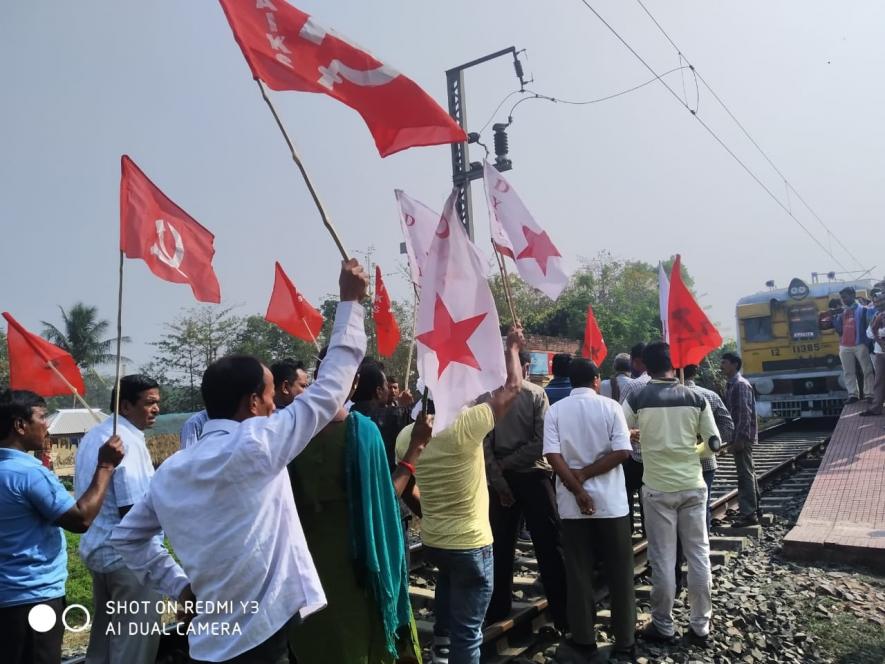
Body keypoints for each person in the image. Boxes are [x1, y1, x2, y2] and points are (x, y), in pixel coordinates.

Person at [110, 259, 370, 664]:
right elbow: (330, 389)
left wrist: (178, 587)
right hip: (259, 638)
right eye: (270, 396)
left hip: (210, 643)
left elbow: (127, 537)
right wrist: (350, 303)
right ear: (253, 401)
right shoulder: (258, 444)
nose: (275, 405)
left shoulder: (172, 471)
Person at [287, 352, 432, 663]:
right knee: (360, 640)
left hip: (304, 567)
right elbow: (385, 501)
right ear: (353, 382)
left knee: (319, 642)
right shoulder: (361, 431)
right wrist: (413, 453)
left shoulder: (287, 430)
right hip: (358, 566)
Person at [395, 327, 525, 664]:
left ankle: (440, 652)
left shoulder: (407, 436)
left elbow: (407, 485)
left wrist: (427, 512)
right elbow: (513, 387)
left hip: (436, 540)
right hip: (471, 543)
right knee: (469, 634)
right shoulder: (465, 425)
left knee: (449, 588)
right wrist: (512, 346)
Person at [0, 389, 123, 664]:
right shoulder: (29, 474)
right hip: (33, 596)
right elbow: (80, 519)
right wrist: (105, 466)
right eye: (42, 417)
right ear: (20, 425)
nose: (47, 425)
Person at [623, 342, 720, 648]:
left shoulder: (637, 396)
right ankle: (700, 625)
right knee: (699, 555)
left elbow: (618, 430)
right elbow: (714, 443)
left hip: (657, 489)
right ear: (672, 364)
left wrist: (637, 436)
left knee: (663, 559)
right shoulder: (696, 396)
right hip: (693, 485)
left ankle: (663, 625)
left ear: (644, 366)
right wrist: (691, 450)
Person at [543, 358, 636, 662]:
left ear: (570, 381)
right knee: (620, 573)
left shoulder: (555, 410)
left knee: (579, 572)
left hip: (572, 506)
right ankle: (625, 641)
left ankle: (583, 638)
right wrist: (584, 479)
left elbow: (552, 456)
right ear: (597, 380)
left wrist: (577, 486)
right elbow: (623, 451)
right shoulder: (611, 408)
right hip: (612, 504)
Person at [74, 374, 163, 664]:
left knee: (103, 642)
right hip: (130, 562)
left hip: (100, 553)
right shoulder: (127, 444)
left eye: (157, 403)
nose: (156, 409)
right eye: (149, 402)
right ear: (125, 406)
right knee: (133, 646)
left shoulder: (93, 436)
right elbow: (134, 512)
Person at [483, 350, 567, 634]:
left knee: (500, 547)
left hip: (501, 480)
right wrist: (508, 466)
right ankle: (564, 614)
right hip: (534, 476)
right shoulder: (535, 394)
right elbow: (541, 441)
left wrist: (500, 479)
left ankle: (497, 609)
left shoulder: (489, 397)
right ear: (527, 367)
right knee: (551, 545)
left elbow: (485, 448)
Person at [683, 364, 734, 531]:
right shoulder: (709, 395)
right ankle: (702, 545)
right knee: (702, 505)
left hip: (676, 463)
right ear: (695, 372)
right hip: (705, 462)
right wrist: (709, 442)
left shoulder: (664, 400)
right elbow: (728, 426)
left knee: (679, 508)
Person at [720, 352, 761, 527]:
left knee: (744, 474)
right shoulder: (732, 384)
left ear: (735, 364)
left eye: (725, 363)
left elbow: (744, 414)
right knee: (748, 472)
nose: (722, 366)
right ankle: (755, 509)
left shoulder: (740, 385)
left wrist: (739, 439)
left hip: (742, 437)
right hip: (739, 435)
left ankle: (749, 513)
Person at [619, 342, 651, 535]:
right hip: (656, 454)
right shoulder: (676, 386)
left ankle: (628, 531)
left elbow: (620, 420)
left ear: (637, 361)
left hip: (634, 452)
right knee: (650, 497)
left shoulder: (633, 386)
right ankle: (649, 533)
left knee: (626, 493)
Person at [833, 286, 875, 403]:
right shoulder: (842, 312)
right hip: (844, 345)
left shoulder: (863, 310)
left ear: (852, 295)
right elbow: (839, 329)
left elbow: (869, 326)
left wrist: (867, 343)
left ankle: (870, 394)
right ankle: (852, 395)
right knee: (848, 371)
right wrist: (834, 318)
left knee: (867, 370)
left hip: (860, 344)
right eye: (842, 298)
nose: (843, 300)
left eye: (845, 297)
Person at [861, 292, 885, 416]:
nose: (878, 304)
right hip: (880, 352)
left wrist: (879, 334)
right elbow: (869, 333)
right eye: (876, 302)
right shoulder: (876, 315)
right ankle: (876, 408)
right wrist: (880, 336)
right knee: (879, 381)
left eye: (881, 301)